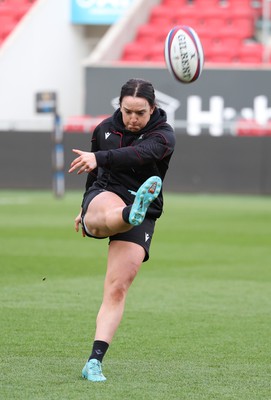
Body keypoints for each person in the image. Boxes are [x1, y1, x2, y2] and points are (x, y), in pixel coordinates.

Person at [68, 78, 175, 382]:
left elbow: (140, 156)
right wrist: (82, 206)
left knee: (118, 287)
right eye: (127, 111)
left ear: (152, 108)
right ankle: (126, 213)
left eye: (140, 113)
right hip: (106, 194)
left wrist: (98, 157)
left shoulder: (163, 135)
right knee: (106, 209)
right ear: (120, 105)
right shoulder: (103, 129)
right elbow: (94, 175)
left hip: (142, 212)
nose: (132, 118)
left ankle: (94, 362)